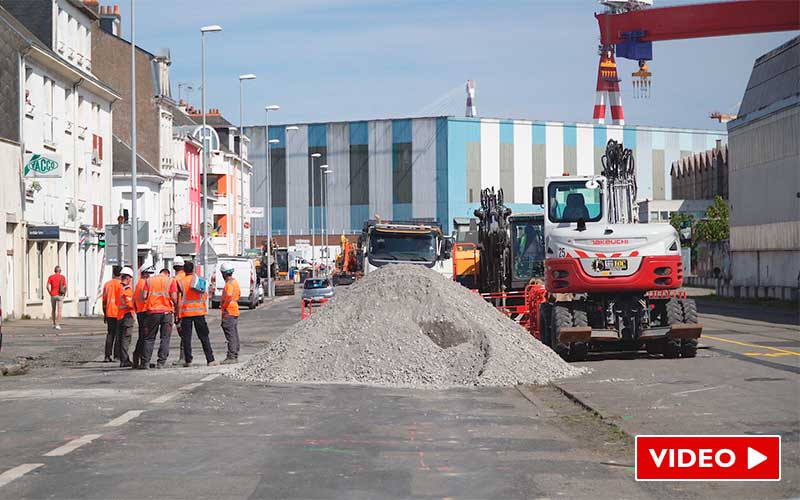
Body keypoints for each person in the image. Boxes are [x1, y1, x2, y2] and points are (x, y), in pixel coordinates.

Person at [177, 261, 218, 367]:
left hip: (186, 313)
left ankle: (188, 360)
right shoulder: (199, 280)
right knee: (204, 336)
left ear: (184, 270)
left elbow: (178, 299)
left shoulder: (181, 282)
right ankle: (210, 359)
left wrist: (177, 314)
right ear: (193, 269)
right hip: (199, 312)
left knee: (186, 337)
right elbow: (205, 296)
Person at [140, 268, 178, 369]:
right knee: (165, 338)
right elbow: (174, 298)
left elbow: (144, 296)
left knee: (149, 338)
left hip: (152, 312)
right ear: (167, 274)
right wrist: (177, 310)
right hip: (166, 312)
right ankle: (161, 362)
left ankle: (146, 362)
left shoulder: (149, 280)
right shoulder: (171, 281)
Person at [131, 267, 154, 369]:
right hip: (145, 312)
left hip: (141, 311)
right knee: (145, 337)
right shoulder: (144, 283)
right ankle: (142, 359)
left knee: (143, 336)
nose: (150, 276)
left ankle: (139, 358)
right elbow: (146, 297)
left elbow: (134, 299)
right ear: (144, 274)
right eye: (148, 274)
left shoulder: (139, 283)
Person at [219, 262, 241, 364]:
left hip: (229, 310)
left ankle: (232, 356)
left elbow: (228, 296)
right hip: (234, 310)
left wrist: (224, 305)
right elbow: (238, 294)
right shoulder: (235, 282)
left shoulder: (229, 285)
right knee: (234, 333)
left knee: (230, 334)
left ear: (223, 274)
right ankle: (234, 353)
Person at [101, 266, 122, 362]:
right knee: (119, 335)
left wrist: (105, 313)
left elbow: (104, 300)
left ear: (113, 273)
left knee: (110, 334)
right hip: (119, 312)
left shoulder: (107, 284)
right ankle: (117, 356)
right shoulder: (122, 285)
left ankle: (107, 355)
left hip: (109, 312)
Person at [116, 267, 135, 368]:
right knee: (126, 339)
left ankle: (122, 358)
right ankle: (124, 360)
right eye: (130, 278)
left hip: (120, 315)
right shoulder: (126, 290)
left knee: (121, 338)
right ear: (127, 278)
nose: (131, 280)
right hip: (127, 316)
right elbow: (130, 304)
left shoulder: (118, 287)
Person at [172, 257, 187, 366]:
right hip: (190, 310)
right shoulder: (188, 278)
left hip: (180, 311)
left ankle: (183, 358)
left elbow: (176, 299)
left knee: (183, 335)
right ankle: (186, 357)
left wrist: (176, 314)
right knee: (186, 334)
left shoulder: (175, 280)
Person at [46, 266, 67, 330]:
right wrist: (64, 294)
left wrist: (50, 293)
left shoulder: (51, 277)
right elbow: (65, 286)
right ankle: (58, 325)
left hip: (53, 295)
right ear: (60, 271)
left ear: (54, 270)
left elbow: (47, 286)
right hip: (60, 295)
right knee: (59, 310)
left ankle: (54, 323)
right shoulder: (62, 277)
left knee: (53, 309)